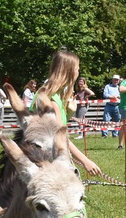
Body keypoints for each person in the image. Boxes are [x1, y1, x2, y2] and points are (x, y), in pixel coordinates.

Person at [25, 49, 105, 179]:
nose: (78, 73)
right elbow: (60, 137)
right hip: (44, 159)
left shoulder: (49, 94)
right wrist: (85, 161)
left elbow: (54, 127)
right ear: (69, 71)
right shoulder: (52, 100)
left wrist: (69, 111)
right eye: (77, 69)